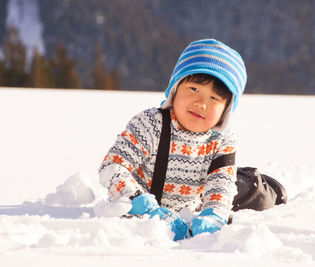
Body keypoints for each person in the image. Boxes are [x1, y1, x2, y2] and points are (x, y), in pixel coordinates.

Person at [99, 39, 247, 241]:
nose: (201, 104)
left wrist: (214, 214)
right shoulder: (150, 124)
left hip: (187, 214)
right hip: (138, 224)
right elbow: (112, 166)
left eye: (214, 99)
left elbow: (221, 184)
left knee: (244, 189)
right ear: (175, 89)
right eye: (194, 89)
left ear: (226, 110)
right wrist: (142, 205)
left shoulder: (222, 139)